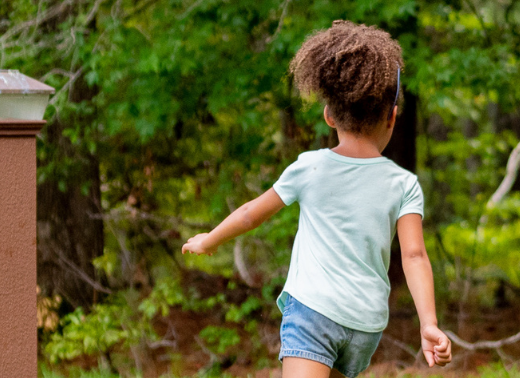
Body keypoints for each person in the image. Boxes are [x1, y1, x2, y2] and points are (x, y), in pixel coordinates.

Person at [180, 20, 451, 378]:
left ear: (328, 116)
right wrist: (428, 323)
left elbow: (250, 215)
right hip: (365, 325)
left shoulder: (311, 168)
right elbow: (414, 256)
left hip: (313, 313)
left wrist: (208, 240)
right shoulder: (403, 184)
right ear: (392, 116)